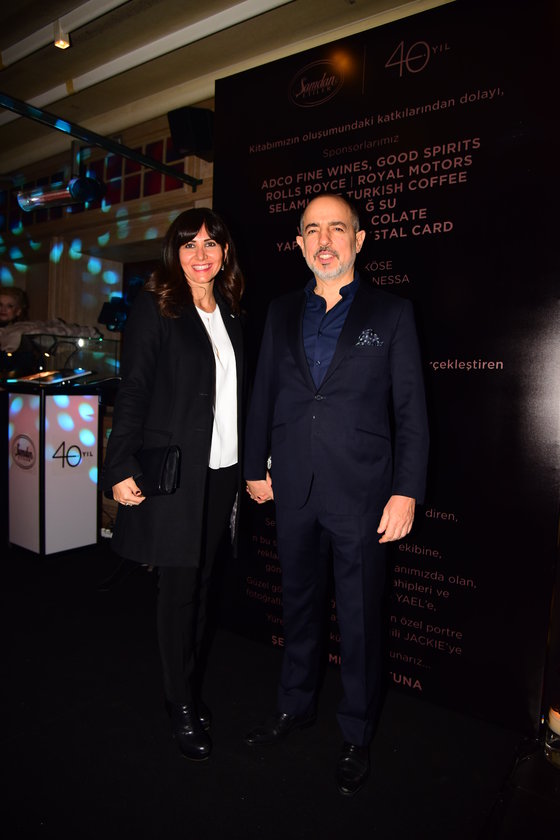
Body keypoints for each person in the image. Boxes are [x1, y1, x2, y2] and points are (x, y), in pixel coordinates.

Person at [244, 193, 429, 797]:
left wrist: (405, 492)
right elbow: (263, 393)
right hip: (293, 488)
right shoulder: (278, 312)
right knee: (297, 606)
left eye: (336, 229)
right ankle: (294, 706)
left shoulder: (391, 313)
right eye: (312, 230)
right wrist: (253, 465)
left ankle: (356, 732)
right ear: (300, 242)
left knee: (359, 618)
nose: (324, 241)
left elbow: (411, 412)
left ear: (359, 239)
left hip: (363, 496)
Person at [102, 208, 244, 761]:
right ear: (174, 252)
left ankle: (187, 682)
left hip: (224, 470)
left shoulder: (232, 311)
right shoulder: (157, 304)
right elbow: (134, 387)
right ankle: (179, 700)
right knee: (178, 588)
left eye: (210, 243)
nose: (200, 254)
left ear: (224, 252)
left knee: (204, 583)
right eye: (189, 244)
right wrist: (118, 464)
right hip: (178, 470)